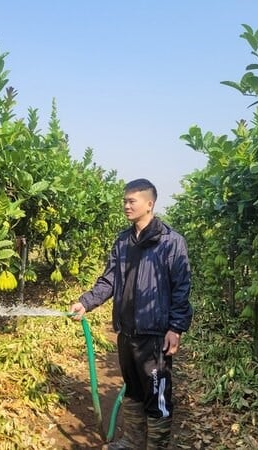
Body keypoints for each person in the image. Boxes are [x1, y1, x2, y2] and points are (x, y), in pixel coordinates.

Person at [70, 178, 192, 450]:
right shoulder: (123, 241)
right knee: (134, 391)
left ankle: (156, 446)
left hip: (155, 335)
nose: (126, 205)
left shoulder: (171, 242)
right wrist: (86, 303)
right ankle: (133, 442)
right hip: (126, 333)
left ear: (149, 204)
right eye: (124, 200)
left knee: (156, 396)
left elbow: (181, 288)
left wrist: (176, 328)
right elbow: (109, 280)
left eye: (131, 201)